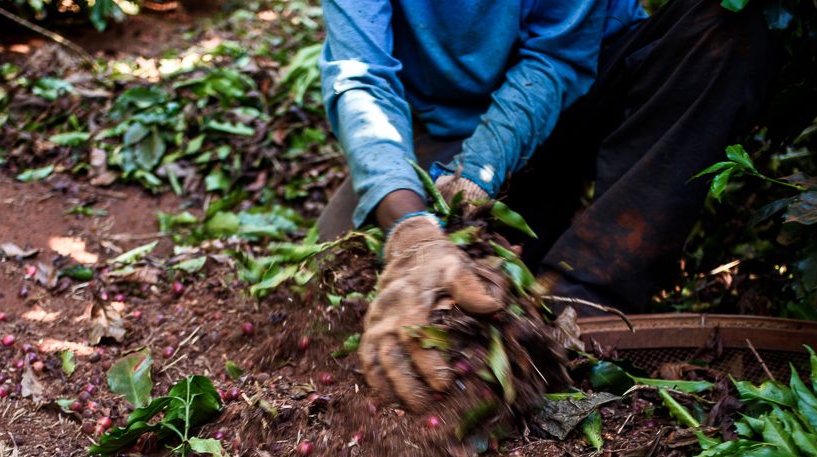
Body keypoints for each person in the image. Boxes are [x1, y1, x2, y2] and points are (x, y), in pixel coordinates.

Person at [317, 0, 776, 410]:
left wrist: (480, 171)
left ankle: (586, 293)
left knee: (723, 24)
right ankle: (522, 249)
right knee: (339, 271)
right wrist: (411, 232)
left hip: (586, 91)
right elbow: (361, 74)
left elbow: (556, 57)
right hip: (450, 124)